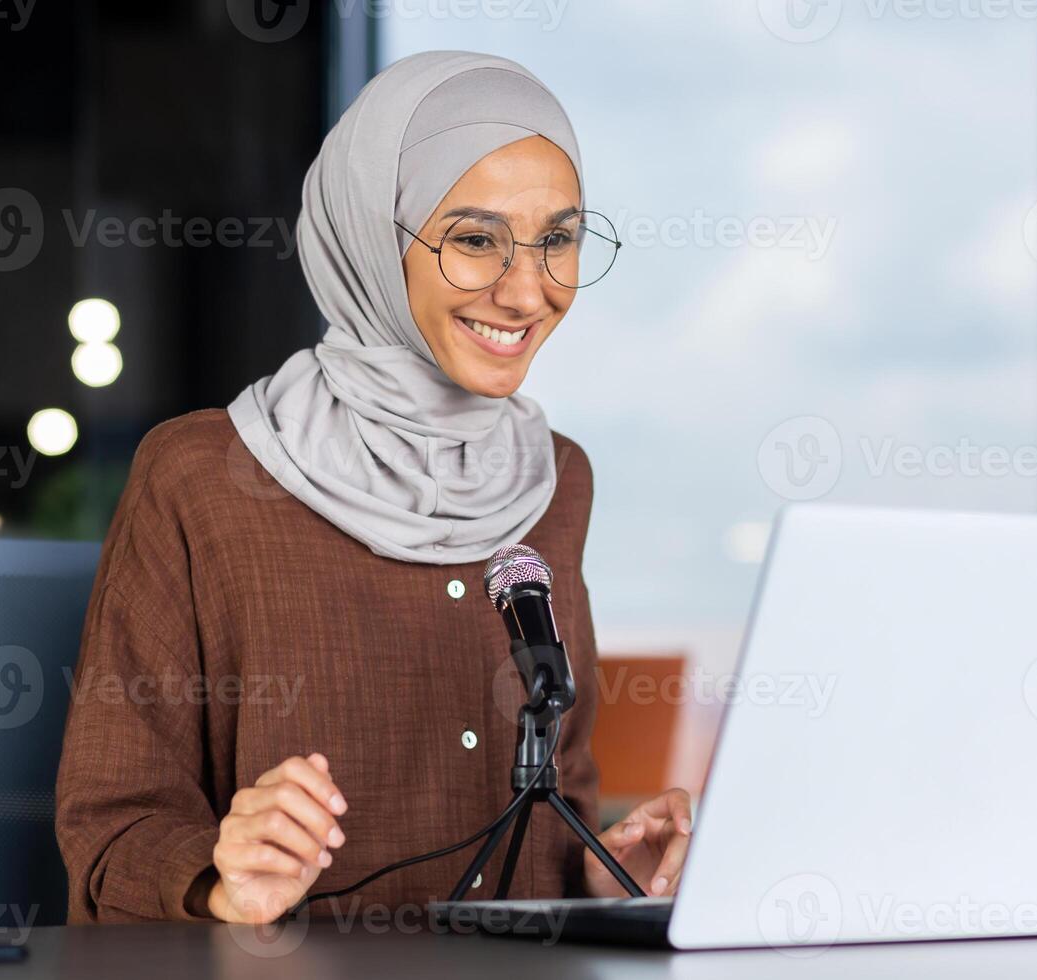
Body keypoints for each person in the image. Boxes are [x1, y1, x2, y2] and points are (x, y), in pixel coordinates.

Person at [54, 50, 692, 925]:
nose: (527, 291)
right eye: (474, 239)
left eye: (558, 239)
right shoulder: (204, 477)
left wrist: (601, 866)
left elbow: (560, 792)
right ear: (369, 234)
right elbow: (110, 831)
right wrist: (215, 877)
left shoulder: (556, 480)